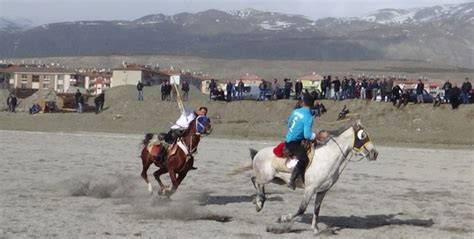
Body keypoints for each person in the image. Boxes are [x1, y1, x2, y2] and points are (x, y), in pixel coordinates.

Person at [285, 94, 317, 190]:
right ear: (312, 105)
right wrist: (317, 136)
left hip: (289, 139)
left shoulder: (296, 111)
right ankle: (292, 180)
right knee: (304, 159)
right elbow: (307, 135)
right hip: (293, 143)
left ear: (303, 102)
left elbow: (289, 123)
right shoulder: (308, 117)